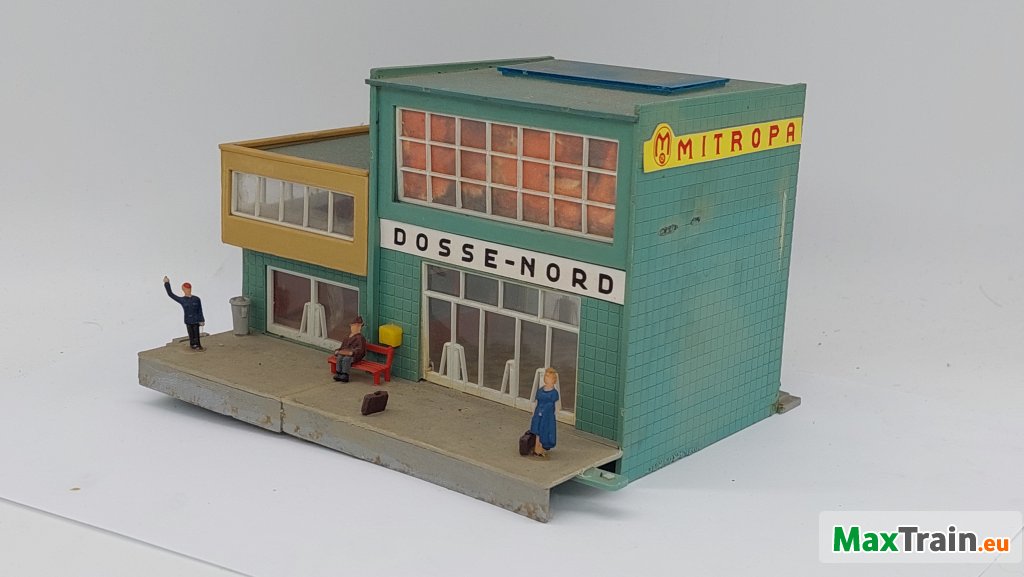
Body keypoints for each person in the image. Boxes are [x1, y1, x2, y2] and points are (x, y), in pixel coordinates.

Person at [163, 276, 205, 351]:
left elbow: (200, 310)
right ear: (183, 290)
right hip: (188, 320)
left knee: (197, 334)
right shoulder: (182, 300)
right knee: (191, 334)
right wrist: (167, 283)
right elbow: (171, 294)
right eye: (185, 289)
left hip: (196, 320)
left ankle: (198, 345)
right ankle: (192, 345)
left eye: (189, 289)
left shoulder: (196, 299)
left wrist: (202, 320)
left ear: (191, 289)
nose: (187, 290)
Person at [530, 367, 560, 457]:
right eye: (546, 376)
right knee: (538, 432)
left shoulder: (554, 393)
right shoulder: (541, 390)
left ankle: (542, 448)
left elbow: (553, 405)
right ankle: (537, 449)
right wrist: (535, 412)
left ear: (554, 380)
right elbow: (537, 401)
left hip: (547, 416)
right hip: (539, 414)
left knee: (545, 431)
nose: (546, 378)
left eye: (549, 377)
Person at [333, 315, 367, 382]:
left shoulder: (360, 338)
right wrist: (338, 350)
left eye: (356, 326)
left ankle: (345, 374)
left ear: (359, 327)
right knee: (339, 357)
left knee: (346, 359)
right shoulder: (347, 337)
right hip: (345, 353)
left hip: (355, 355)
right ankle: (338, 372)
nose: (353, 328)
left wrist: (353, 352)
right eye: (352, 326)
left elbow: (361, 349)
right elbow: (342, 347)